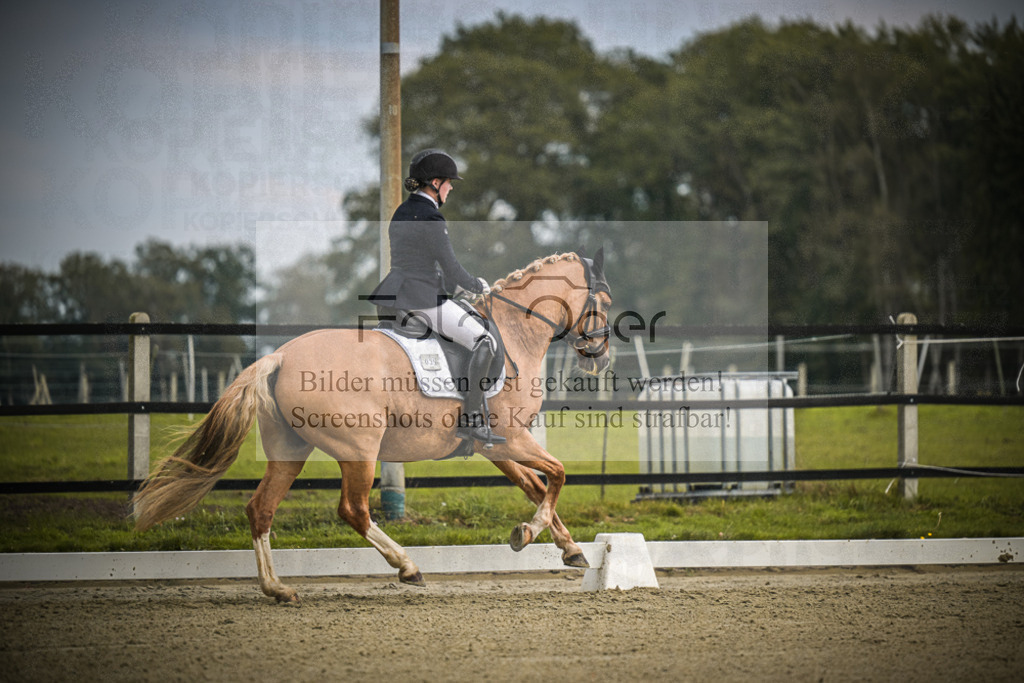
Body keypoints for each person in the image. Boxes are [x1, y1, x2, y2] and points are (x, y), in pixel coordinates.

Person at [367, 149, 505, 446]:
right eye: (448, 182)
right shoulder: (431, 216)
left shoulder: (401, 212)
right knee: (484, 341)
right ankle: (472, 419)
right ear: (434, 183)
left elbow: (417, 261)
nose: (451, 187)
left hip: (392, 296)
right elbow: (452, 268)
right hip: (421, 300)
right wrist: (476, 284)